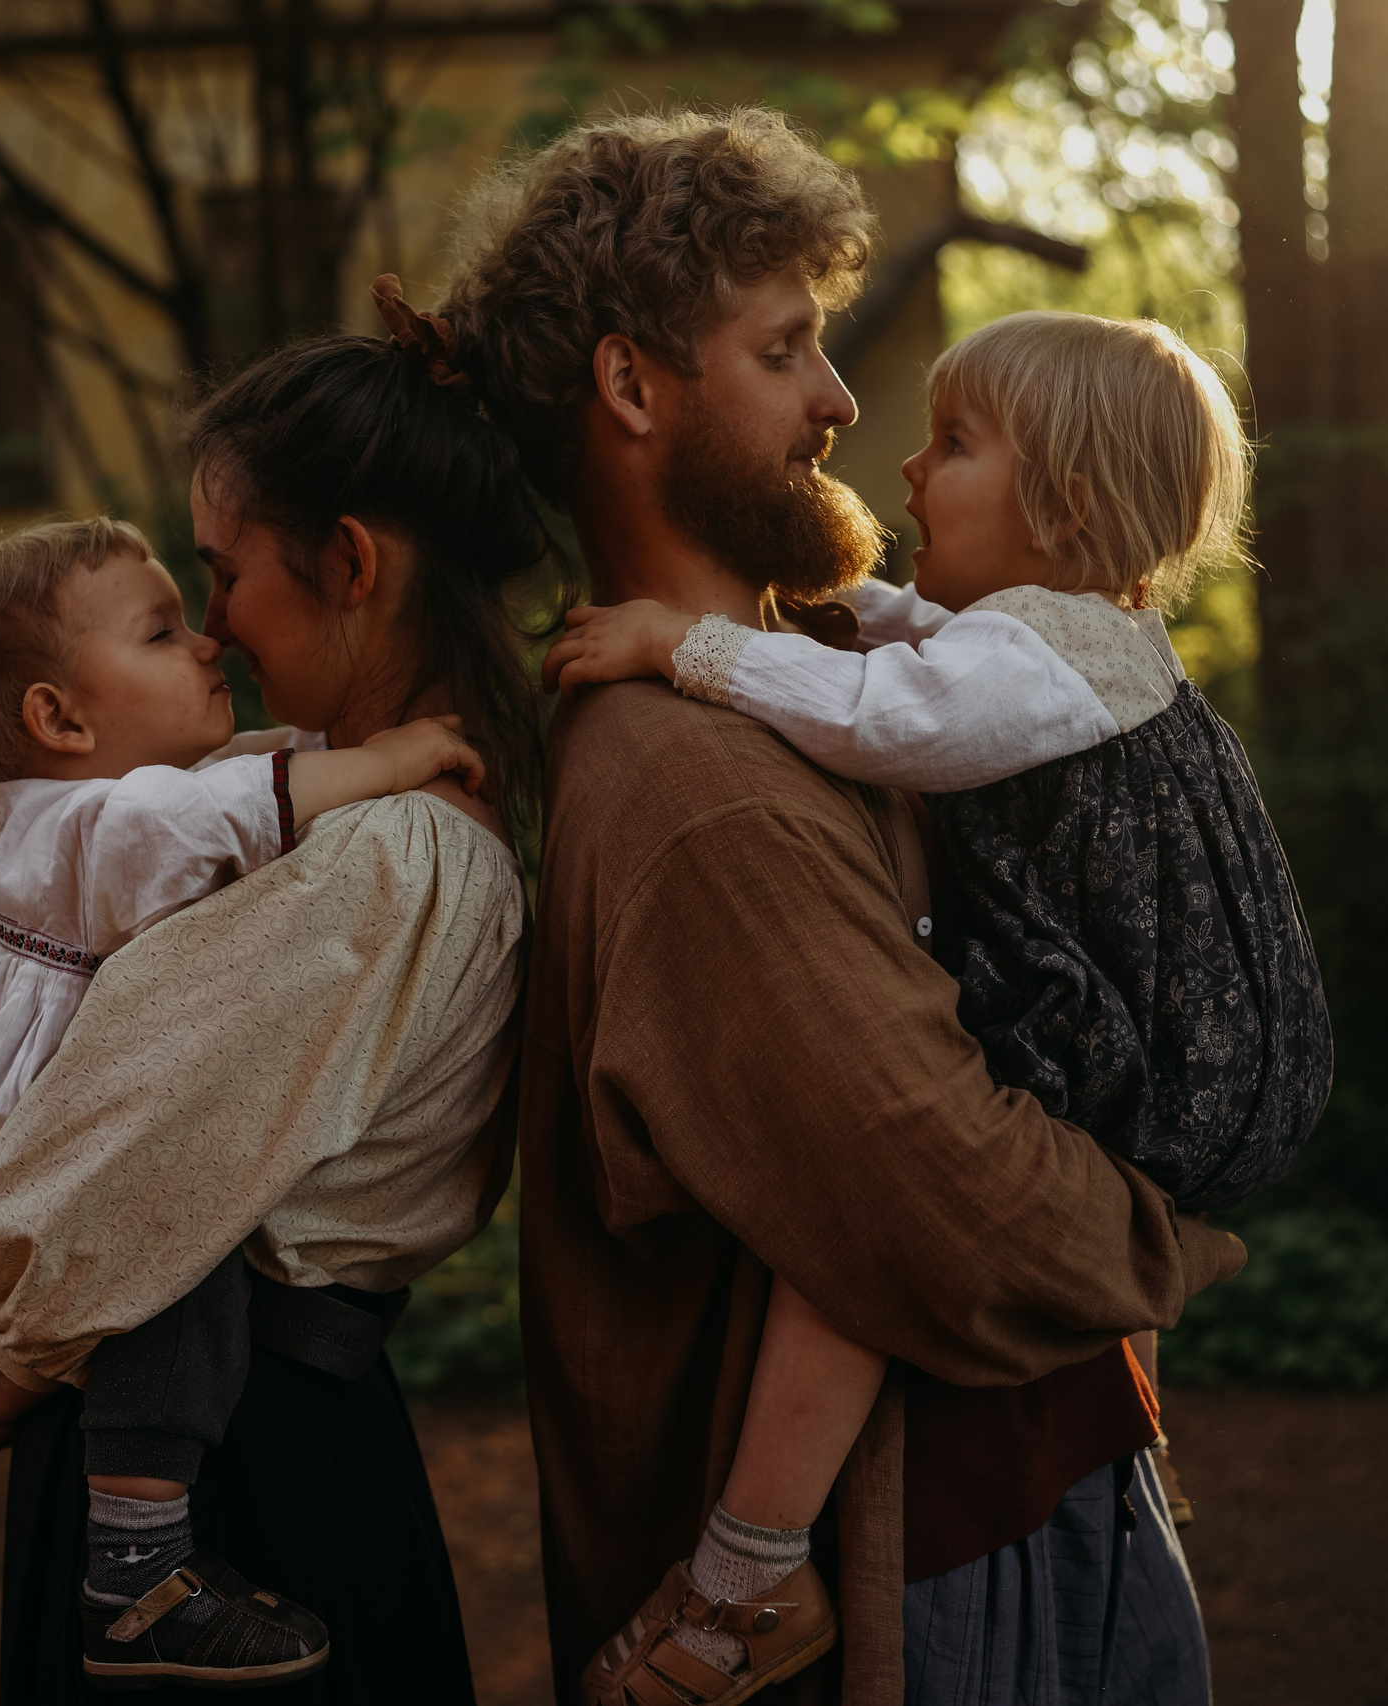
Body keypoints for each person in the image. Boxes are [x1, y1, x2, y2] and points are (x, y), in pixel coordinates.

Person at [439, 107, 1247, 1706]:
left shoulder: (813, 679)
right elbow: (941, 1199)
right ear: (630, 386)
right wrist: (1174, 1226)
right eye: (785, 346)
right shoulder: (695, 784)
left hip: (1019, 1496)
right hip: (949, 1566)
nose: (838, 399)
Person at [541, 307, 1331, 1701]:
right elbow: (898, 643)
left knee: (859, 1234)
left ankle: (741, 1578)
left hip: (1107, 1047)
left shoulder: (1028, 665)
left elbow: (892, 714)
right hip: (1133, 1057)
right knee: (874, 1210)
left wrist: (691, 646)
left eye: (953, 444)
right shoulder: (1064, 634)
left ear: (1062, 504)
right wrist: (819, 605)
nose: (902, 462)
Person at [0, 305, 557, 1705]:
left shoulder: (386, 855)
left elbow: (129, 1147)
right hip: (227, 1445)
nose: (210, 627)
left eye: (219, 576)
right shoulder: (331, 795)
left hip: (228, 1484)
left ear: (347, 562)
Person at [0, 515, 488, 1687]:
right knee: (178, 1221)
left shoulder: (101, 810)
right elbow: (245, 802)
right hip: (9, 1205)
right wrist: (401, 755)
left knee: (169, 1208)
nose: (206, 638)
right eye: (160, 628)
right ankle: (139, 1565)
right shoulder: (91, 825)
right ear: (59, 719)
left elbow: (257, 766)